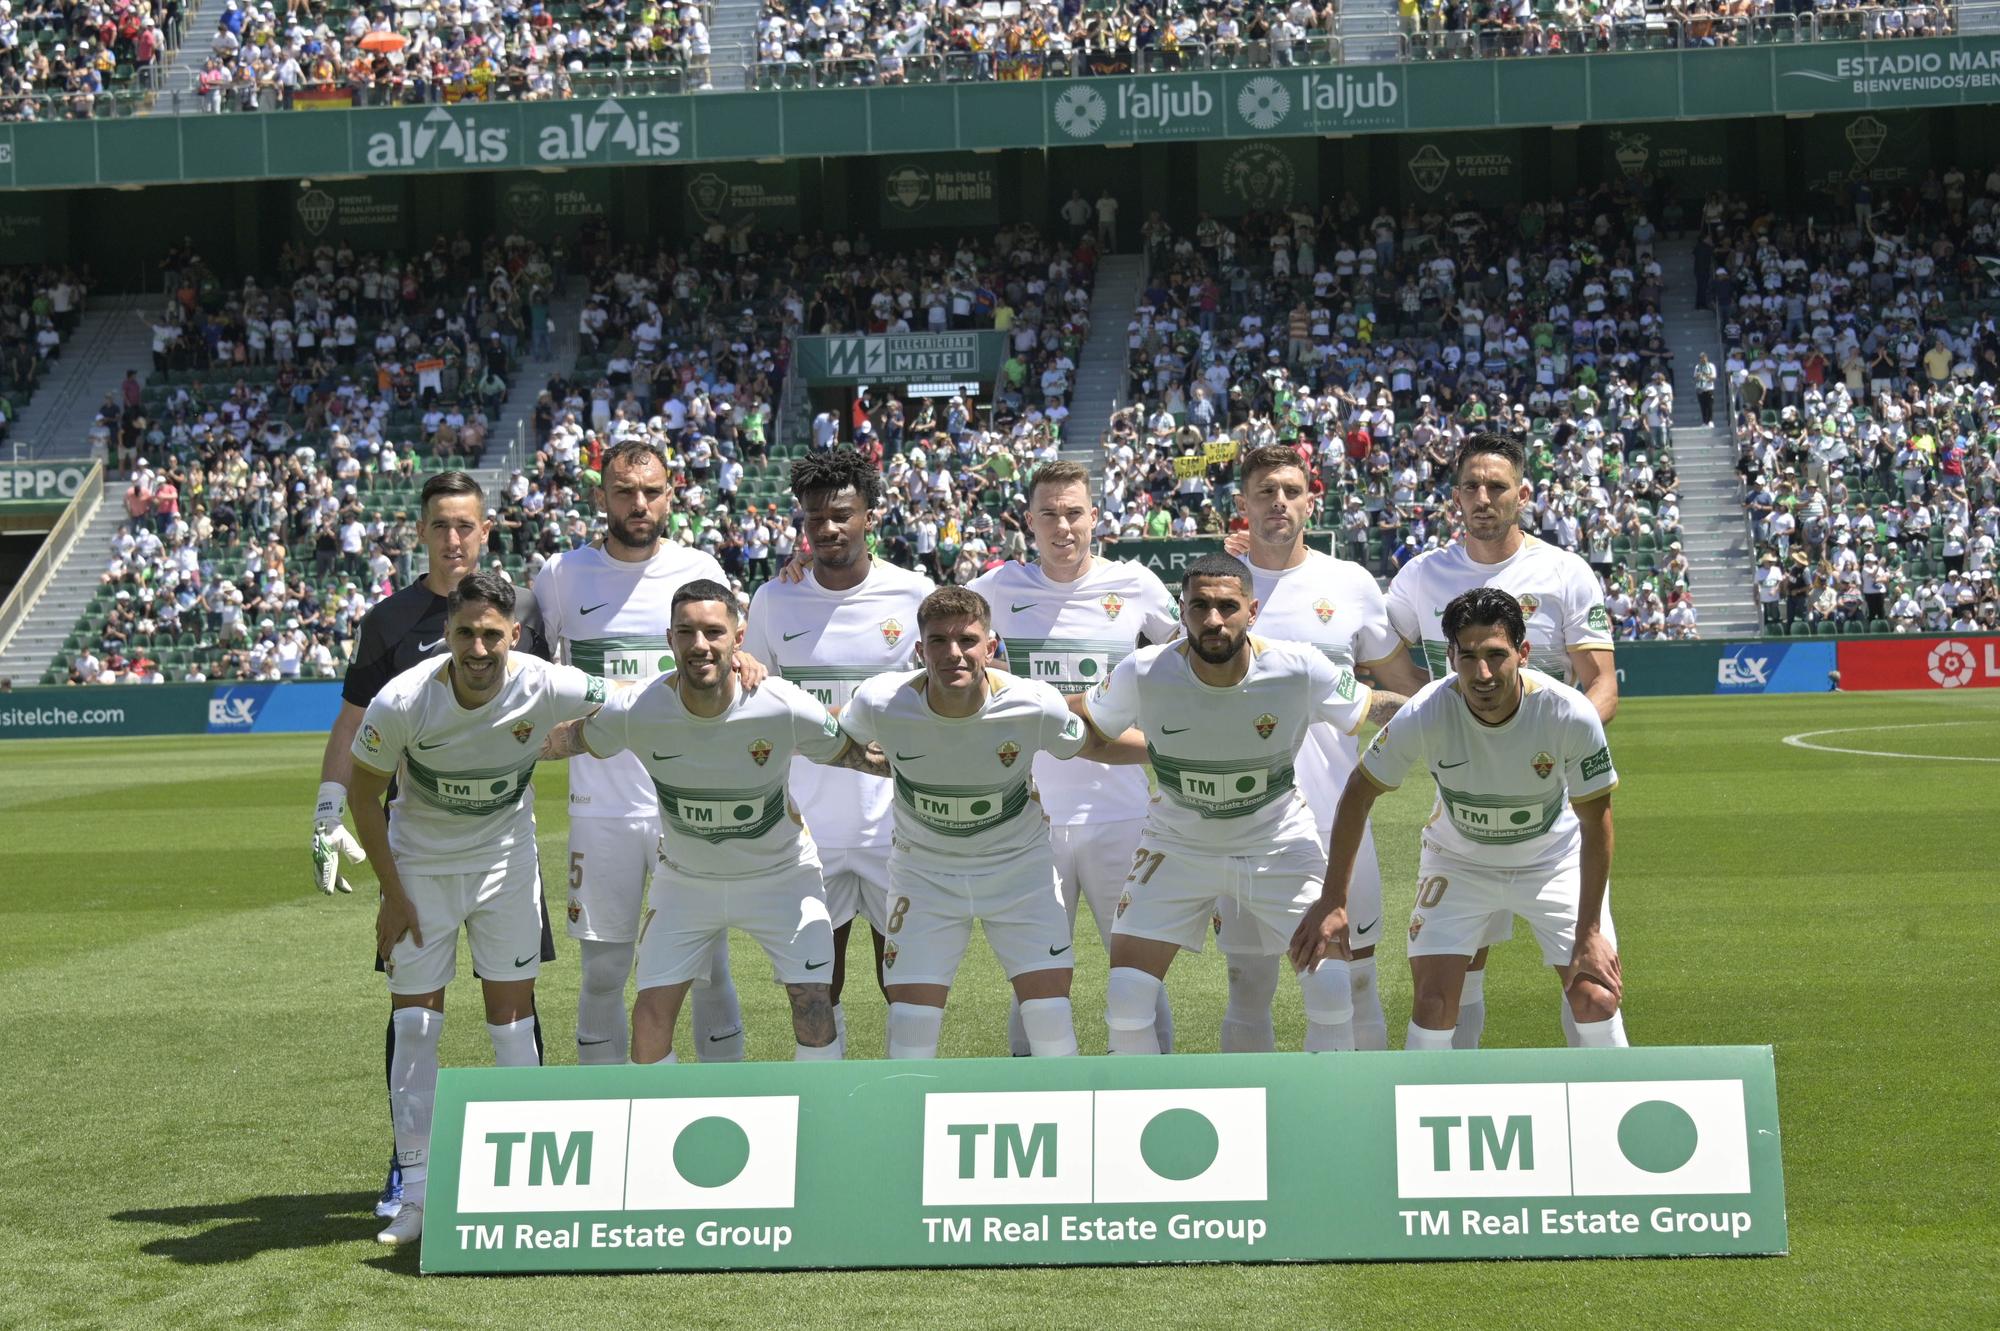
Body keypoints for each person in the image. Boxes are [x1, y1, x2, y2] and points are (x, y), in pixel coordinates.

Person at [311, 469, 550, 1222]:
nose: (454, 538)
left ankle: (533, 1171)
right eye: (441, 524)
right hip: (416, 845)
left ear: (486, 532)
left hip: (503, 844)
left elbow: (547, 708)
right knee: (415, 1012)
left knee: (514, 1004)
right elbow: (354, 725)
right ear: (420, 531)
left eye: (467, 525)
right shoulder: (388, 621)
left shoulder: (518, 613)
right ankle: (407, 1170)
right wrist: (327, 810)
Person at [347, 571, 607, 1246]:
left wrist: (574, 739)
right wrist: (393, 894)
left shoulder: (546, 683)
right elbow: (363, 794)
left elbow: (634, 703)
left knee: (513, 1023)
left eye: (493, 633)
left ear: (514, 636)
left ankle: (532, 1190)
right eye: (466, 632)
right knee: (415, 1028)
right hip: (420, 868)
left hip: (505, 865)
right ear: (447, 635)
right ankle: (418, 1196)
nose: (479, 646)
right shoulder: (403, 698)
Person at [544, 580, 893, 1064]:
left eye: (713, 631)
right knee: (650, 1014)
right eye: (686, 632)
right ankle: (656, 1130)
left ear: (738, 637)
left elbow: (860, 755)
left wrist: (948, 759)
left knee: (813, 1003)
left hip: (781, 877)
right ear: (669, 640)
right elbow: (565, 740)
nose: (700, 645)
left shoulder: (780, 704)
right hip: (687, 882)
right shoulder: (637, 708)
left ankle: (818, 1125)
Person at [1077, 554, 1404, 1055]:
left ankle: (1333, 1120)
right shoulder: (1142, 671)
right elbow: (1090, 733)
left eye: (1227, 607)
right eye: (1200, 606)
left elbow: (1371, 708)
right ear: (1181, 611)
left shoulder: (1298, 666)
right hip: (1176, 844)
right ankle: (1135, 1120)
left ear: (1252, 611)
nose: (1213, 620)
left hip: (1276, 842)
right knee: (1125, 1000)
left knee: (1333, 989)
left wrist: (1449, 702)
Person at [1291, 589, 1623, 1052]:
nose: (1482, 673)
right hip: (1459, 862)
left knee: (1596, 997)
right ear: (1450, 657)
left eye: (1495, 656)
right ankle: (1423, 1118)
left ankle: (1607, 1117)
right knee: (1431, 1004)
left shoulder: (1568, 712)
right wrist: (1333, 899)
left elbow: (1596, 824)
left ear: (1522, 654)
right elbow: (1358, 792)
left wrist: (1589, 932)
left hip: (1551, 861)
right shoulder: (1426, 710)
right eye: (1467, 657)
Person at [1385, 432, 1627, 1050]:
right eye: (1471, 486)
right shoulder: (1421, 576)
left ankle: (1605, 1119)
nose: (1483, 498)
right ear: (1455, 497)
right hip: (1463, 810)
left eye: (1497, 487)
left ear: (1523, 494)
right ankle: (1450, 1117)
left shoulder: (1564, 572)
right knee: (1455, 976)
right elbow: (1378, 654)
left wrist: (1549, 751)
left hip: (1548, 804)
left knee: (1590, 981)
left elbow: (1601, 684)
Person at [838, 587, 1147, 1060]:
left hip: (1019, 874)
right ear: (919, 650)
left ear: (990, 645)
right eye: (938, 641)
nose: (953, 653)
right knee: (909, 1033)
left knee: (1050, 1025)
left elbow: (1096, 745)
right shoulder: (881, 700)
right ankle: (908, 1131)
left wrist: (1180, 752)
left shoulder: (1032, 702)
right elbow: (829, 736)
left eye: (967, 639)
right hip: (924, 877)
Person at [529, 439, 755, 1067]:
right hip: (599, 809)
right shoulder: (560, 575)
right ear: (601, 496)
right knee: (603, 970)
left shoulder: (699, 566)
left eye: (651, 491)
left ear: (669, 495)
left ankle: (725, 1104)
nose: (638, 503)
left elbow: (739, 656)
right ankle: (608, 1110)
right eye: (624, 491)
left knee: (710, 969)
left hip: (687, 804)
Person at [1219, 446, 1428, 1053]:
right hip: (1242, 820)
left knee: (1356, 977)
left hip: (1340, 815)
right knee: (1248, 981)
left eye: (1290, 491)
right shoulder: (1217, 587)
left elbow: (1404, 686)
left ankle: (1356, 1123)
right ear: (1243, 504)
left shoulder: (1350, 583)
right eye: (1264, 491)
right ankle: (1249, 1126)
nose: (1278, 502)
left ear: (1313, 502)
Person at [968, 460, 1179, 1056]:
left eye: (1075, 513)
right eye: (1050, 515)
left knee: (1137, 969)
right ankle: (1034, 1093)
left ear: (1095, 519)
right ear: (1028, 522)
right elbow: (927, 650)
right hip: (1028, 818)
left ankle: (1148, 1086)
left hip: (1123, 814)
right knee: (1033, 974)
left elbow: (1192, 657)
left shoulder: (1135, 584)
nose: (1064, 527)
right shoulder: (994, 589)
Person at [746, 448, 934, 1053]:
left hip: (895, 824)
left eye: (842, 514)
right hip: (807, 829)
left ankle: (908, 1101)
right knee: (811, 987)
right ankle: (822, 1105)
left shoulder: (915, 595)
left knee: (904, 981)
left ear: (870, 517)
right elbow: (750, 694)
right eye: (814, 517)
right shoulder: (775, 599)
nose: (827, 528)